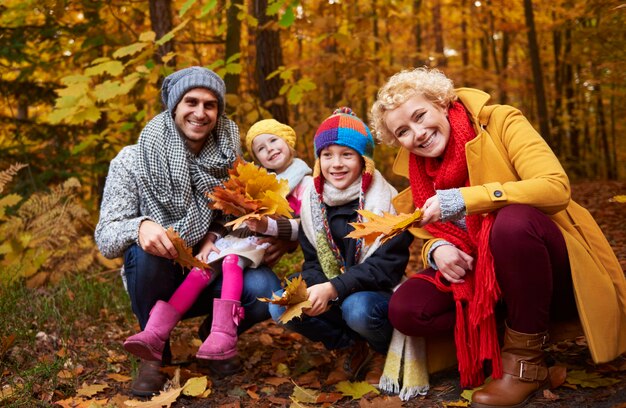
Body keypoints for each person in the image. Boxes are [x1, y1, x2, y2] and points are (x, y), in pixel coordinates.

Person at [370, 67, 626, 408]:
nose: (418, 133)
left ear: (442, 103)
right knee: (406, 309)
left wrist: (466, 198)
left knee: (511, 222)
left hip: (552, 267)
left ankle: (525, 365)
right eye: (403, 131)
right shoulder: (420, 171)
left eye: (421, 115)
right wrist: (438, 249)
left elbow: (555, 186)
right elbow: (428, 229)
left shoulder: (501, 122)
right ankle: (504, 338)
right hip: (486, 280)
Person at [94, 66, 284, 396]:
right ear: (174, 107)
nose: (200, 113)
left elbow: (245, 224)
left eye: (210, 105)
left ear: (218, 111)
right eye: (191, 102)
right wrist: (140, 225)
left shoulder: (232, 165)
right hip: (160, 274)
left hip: (213, 270)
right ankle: (156, 355)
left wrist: (275, 237)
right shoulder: (132, 160)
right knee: (143, 252)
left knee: (265, 285)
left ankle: (218, 335)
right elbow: (106, 237)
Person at [122, 118, 311, 365]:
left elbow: (306, 226)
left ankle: (222, 334)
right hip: (232, 238)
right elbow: (228, 217)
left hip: (254, 245)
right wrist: (209, 240)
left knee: (232, 263)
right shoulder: (254, 180)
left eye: (274, 141)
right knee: (201, 272)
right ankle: (156, 331)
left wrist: (270, 227)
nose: (270, 150)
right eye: (261, 149)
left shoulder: (304, 183)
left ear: (289, 142)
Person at [268, 107, 414, 386]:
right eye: (327, 155)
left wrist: (334, 288)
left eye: (346, 154)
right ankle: (349, 346)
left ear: (363, 160)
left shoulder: (387, 203)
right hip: (334, 291)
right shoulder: (313, 202)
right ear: (317, 160)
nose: (336, 164)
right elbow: (313, 261)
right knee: (283, 305)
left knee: (357, 309)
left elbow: (386, 268)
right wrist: (310, 287)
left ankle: (382, 350)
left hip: (375, 295)